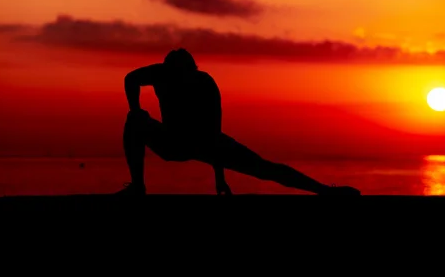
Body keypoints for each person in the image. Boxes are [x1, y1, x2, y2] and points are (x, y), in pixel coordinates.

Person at [119, 48, 361, 196]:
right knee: (134, 120)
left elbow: (214, 133)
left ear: (192, 71)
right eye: (174, 73)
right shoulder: (161, 73)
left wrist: (219, 177)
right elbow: (131, 79)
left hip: (204, 141)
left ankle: (325, 191)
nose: (178, 78)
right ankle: (138, 187)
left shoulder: (204, 84)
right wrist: (137, 109)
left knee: (264, 168)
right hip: (172, 140)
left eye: (183, 73)